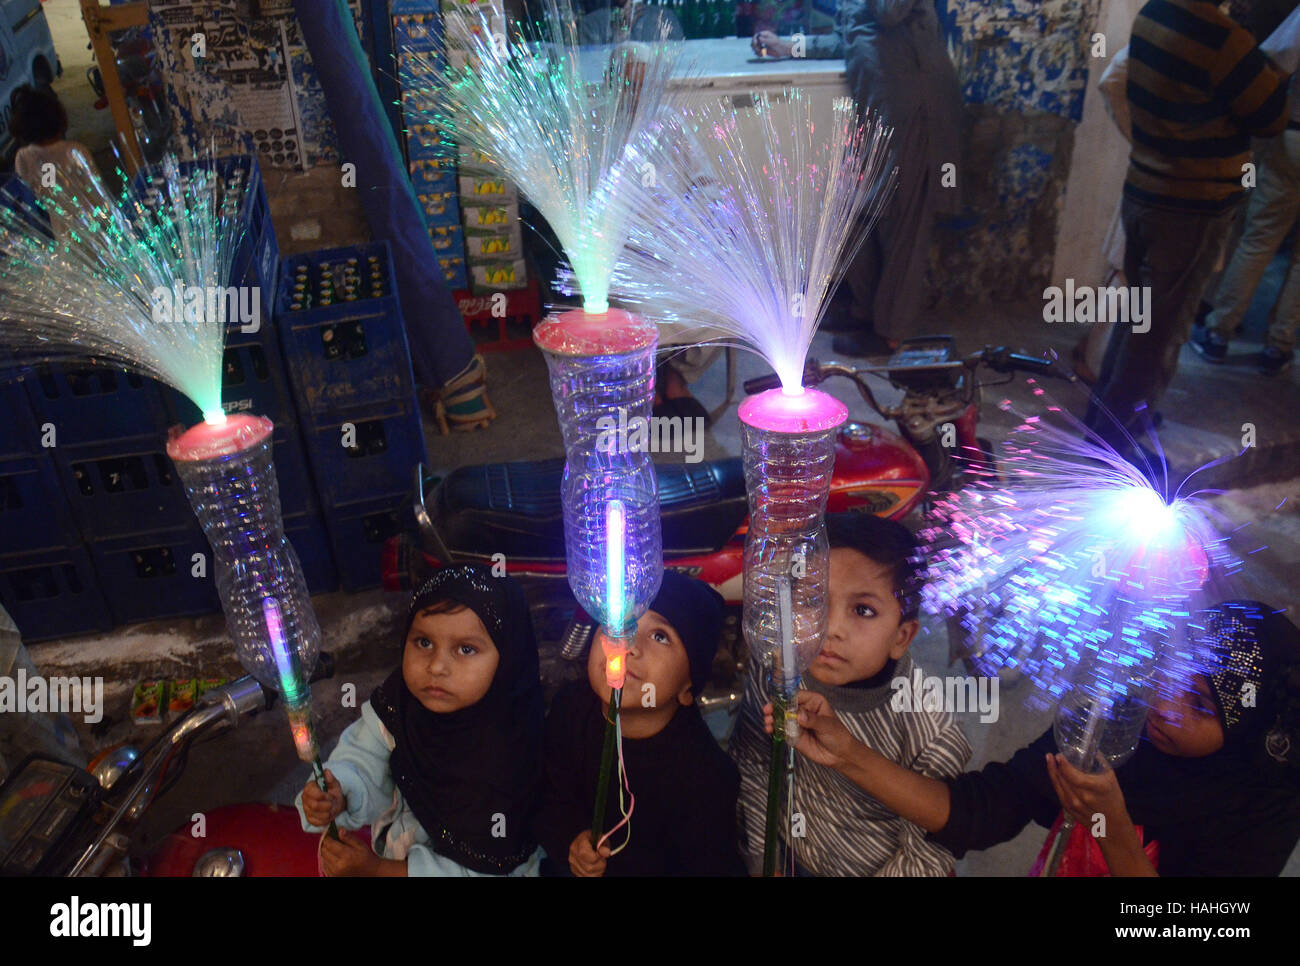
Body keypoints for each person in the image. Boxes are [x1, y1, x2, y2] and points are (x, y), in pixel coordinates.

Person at [770, 600, 1300, 876]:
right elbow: (982, 809)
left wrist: (1110, 824)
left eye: (1200, 706)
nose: (1163, 707)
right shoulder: (1109, 725)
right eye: (1169, 672)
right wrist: (847, 752)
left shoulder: (1266, 803)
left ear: (1250, 729)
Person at [1086, 1, 1290, 454]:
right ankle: (1116, 445)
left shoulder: (1154, 12)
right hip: (1191, 204)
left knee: (1137, 318)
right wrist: (1273, 72)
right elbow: (1270, 118)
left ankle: (1104, 418)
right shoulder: (1225, 40)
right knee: (1157, 333)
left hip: (1144, 191)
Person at [733, 512, 972, 875]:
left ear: (901, 637)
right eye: (813, 600)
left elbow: (925, 856)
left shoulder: (929, 734)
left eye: (863, 610)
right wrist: (764, 861)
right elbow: (753, 766)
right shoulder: (777, 670)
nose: (832, 629)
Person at [297, 566, 544, 876]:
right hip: (394, 847)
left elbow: (487, 869)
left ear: (508, 660)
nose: (437, 666)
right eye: (424, 643)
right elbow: (363, 754)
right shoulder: (400, 703)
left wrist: (379, 871)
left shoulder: (514, 749)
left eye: (466, 649)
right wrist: (338, 792)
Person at [754, 0, 962, 357]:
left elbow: (889, 11)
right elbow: (848, 38)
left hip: (915, 109)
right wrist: (789, 46)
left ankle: (890, 333)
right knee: (861, 212)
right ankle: (867, 311)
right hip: (879, 108)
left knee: (903, 220)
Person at [534, 570, 746, 876]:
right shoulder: (571, 708)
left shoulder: (704, 776)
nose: (628, 644)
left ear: (688, 688)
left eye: (660, 636)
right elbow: (549, 799)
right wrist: (572, 843)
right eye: (618, 624)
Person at [1192, 3, 1300, 376]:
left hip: (1294, 138)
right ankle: (1279, 346)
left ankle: (1219, 332)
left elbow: (1273, 61)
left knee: (1259, 238)